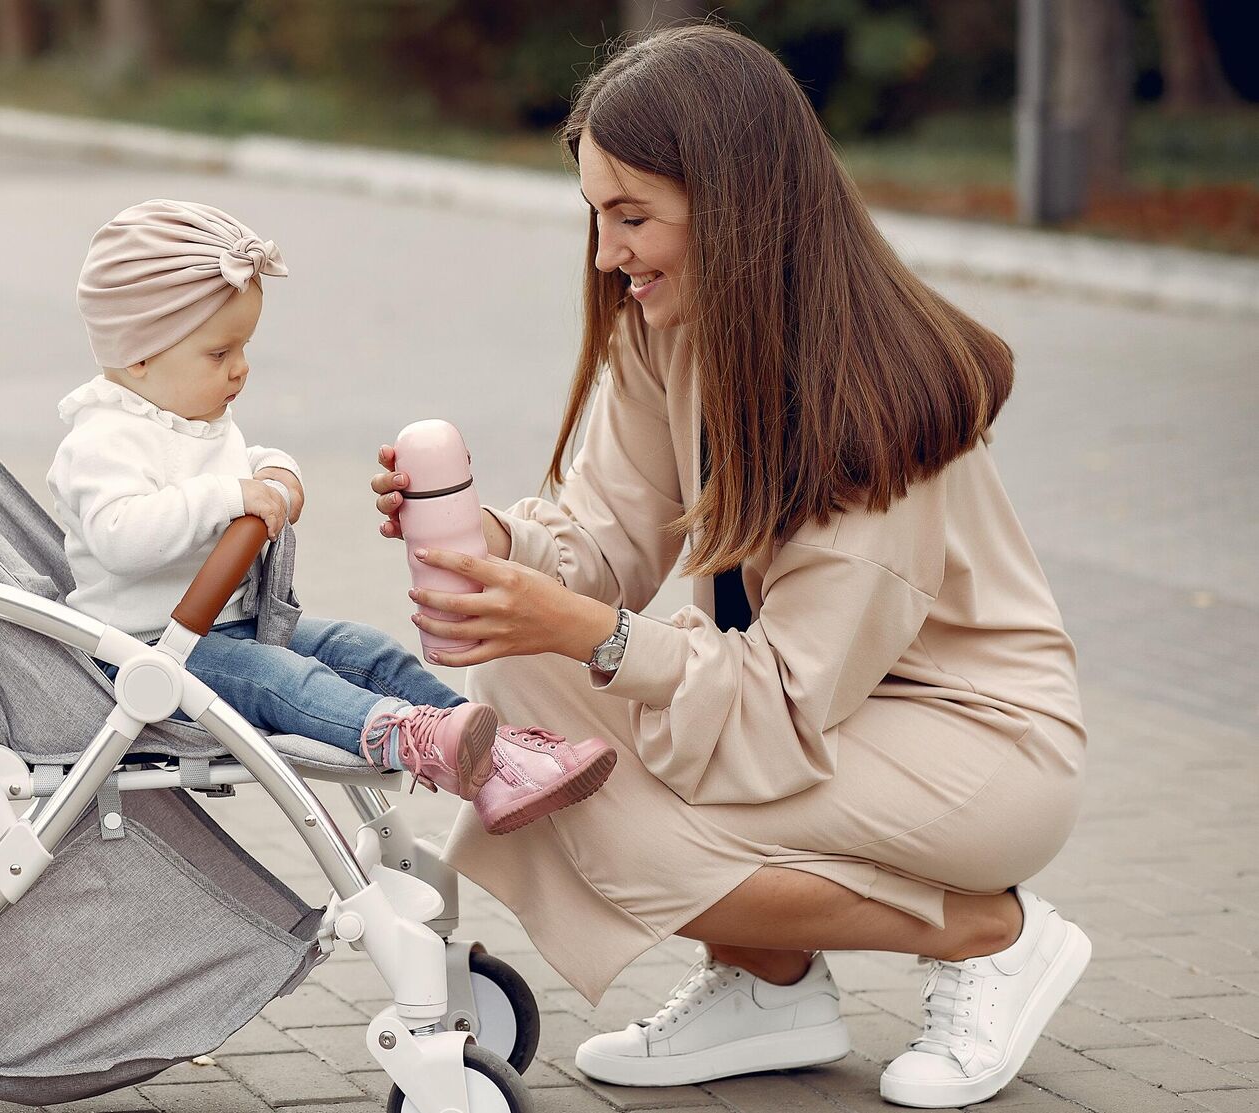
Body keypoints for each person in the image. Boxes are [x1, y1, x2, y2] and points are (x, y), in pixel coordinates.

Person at [369, 26, 1087, 1110]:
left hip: (973, 743)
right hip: (814, 710)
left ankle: (994, 933)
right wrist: (497, 549)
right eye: (597, 215)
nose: (609, 254)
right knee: (522, 699)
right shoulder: (669, 329)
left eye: (634, 215)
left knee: (607, 817)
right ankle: (773, 985)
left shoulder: (873, 402)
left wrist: (585, 635)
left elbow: (783, 699)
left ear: (738, 202)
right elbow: (606, 548)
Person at [55, 199, 615, 830]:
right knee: (281, 679)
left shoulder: (188, 412)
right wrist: (232, 499)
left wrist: (276, 472)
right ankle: (407, 737)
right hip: (149, 654)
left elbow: (240, 461)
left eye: (244, 347)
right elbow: (119, 535)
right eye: (220, 353)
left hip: (227, 628)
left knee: (363, 649)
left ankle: (501, 760)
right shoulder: (101, 440)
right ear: (140, 354)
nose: (241, 368)